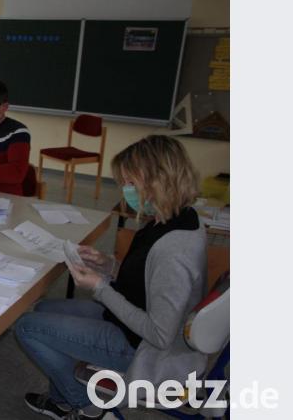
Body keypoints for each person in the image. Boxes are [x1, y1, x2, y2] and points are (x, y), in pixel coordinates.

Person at [14, 135, 207, 420]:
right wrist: (108, 264)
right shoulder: (173, 217)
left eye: (130, 182)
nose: (124, 189)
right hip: (130, 321)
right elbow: (146, 278)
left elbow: (159, 335)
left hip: (142, 346)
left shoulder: (174, 249)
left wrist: (101, 287)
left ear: (158, 181)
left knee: (26, 327)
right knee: (43, 308)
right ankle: (61, 400)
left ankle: (87, 407)